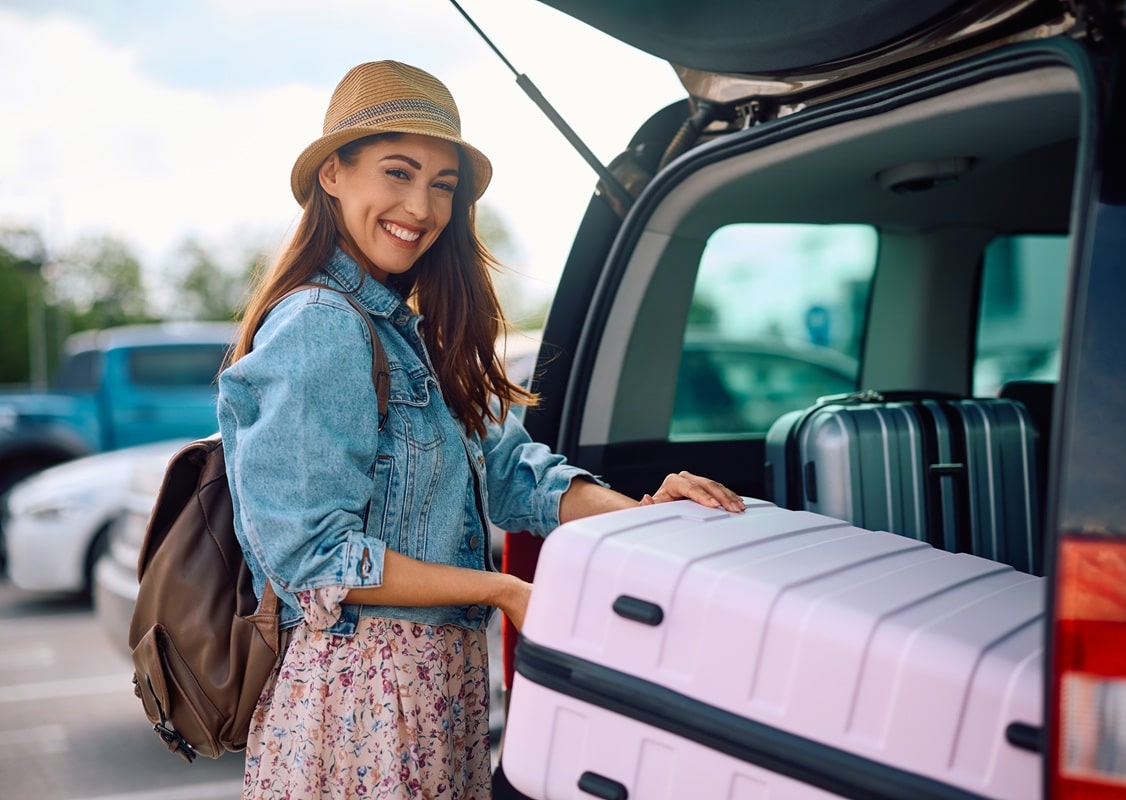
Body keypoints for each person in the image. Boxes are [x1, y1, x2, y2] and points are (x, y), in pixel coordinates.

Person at [217, 60, 745, 800]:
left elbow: (512, 472)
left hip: (438, 689)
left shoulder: (412, 332)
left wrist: (646, 517)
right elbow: (315, 558)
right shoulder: (319, 327)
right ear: (333, 173)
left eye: (442, 184)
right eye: (399, 173)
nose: (422, 207)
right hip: (361, 702)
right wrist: (502, 589)